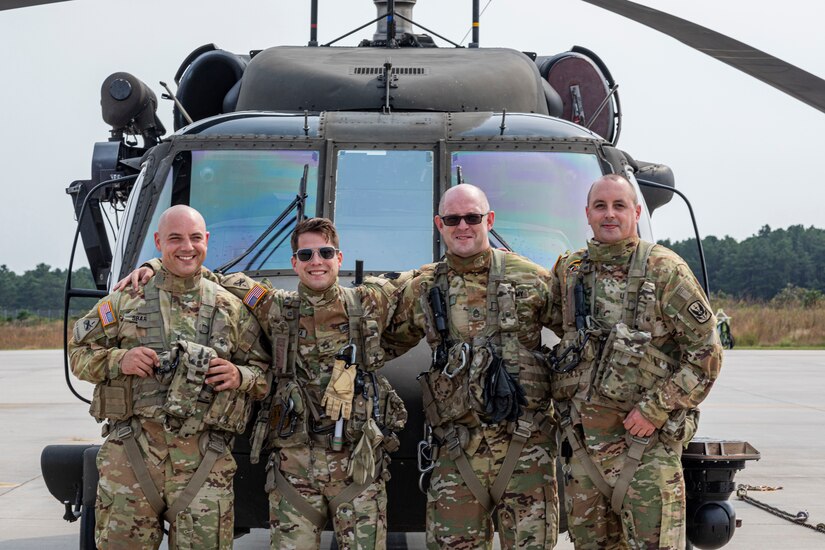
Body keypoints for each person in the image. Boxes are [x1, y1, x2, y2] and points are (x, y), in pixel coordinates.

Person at [119, 217, 409, 550]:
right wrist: (153, 264)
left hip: (358, 465)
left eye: (326, 253)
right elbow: (201, 272)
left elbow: (423, 284)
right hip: (294, 465)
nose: (316, 261)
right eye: (306, 255)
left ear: (339, 258)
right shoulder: (275, 307)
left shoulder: (370, 300)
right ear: (294, 263)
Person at [69, 205, 270, 549]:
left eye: (194, 238)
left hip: (205, 463)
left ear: (206, 241)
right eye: (175, 239)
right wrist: (121, 359)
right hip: (132, 459)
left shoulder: (230, 307)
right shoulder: (125, 299)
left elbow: (265, 374)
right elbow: (78, 354)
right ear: (159, 241)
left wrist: (241, 375)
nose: (186, 247)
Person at [548, 174, 722, 549]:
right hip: (585, 454)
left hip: (645, 452)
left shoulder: (665, 270)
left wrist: (656, 409)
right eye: (600, 206)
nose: (609, 215)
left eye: (619, 206)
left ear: (637, 212)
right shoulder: (569, 271)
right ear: (587, 214)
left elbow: (707, 355)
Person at [382, 184, 559, 549]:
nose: (463, 226)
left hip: (526, 450)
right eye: (452, 219)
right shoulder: (423, 287)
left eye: (472, 217)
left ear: (489, 220)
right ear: (439, 224)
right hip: (457, 451)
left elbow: (578, 342)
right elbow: (383, 345)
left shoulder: (531, 278)